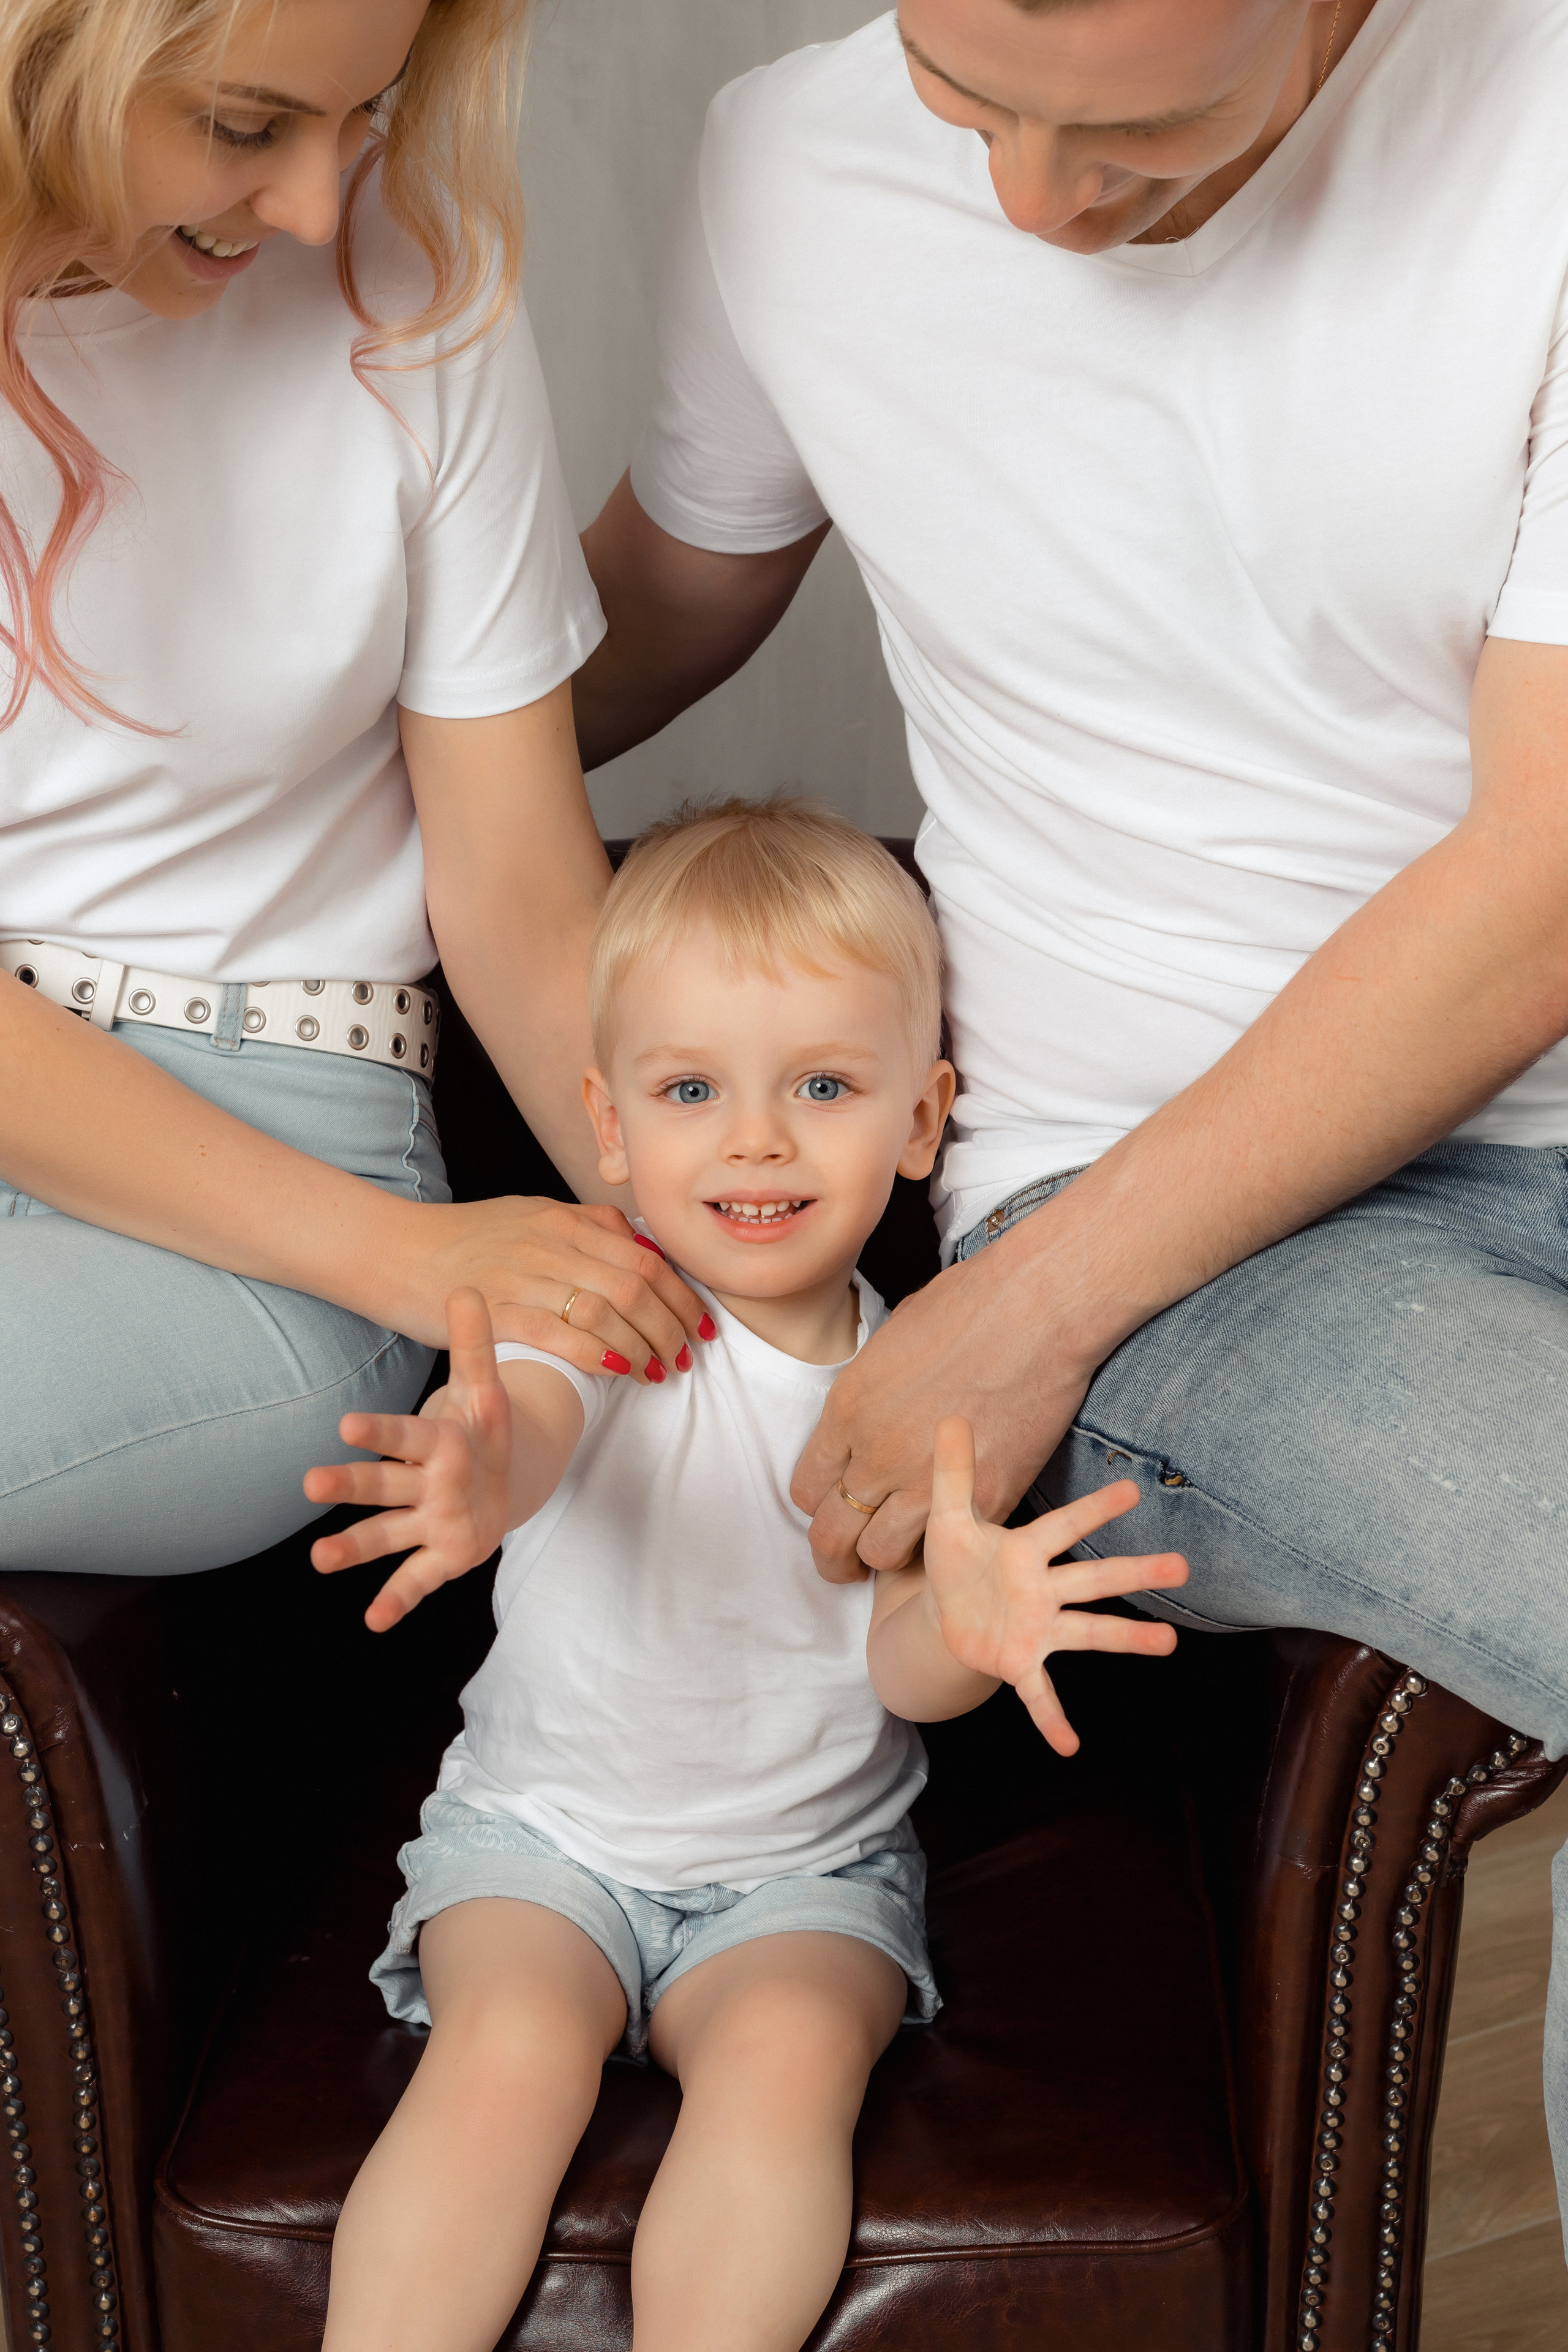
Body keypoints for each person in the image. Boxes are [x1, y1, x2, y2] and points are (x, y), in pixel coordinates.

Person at [570, 0, 1568, 2231]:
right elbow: (654, 601)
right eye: (966, 95)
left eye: (1131, 126)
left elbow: (1546, 878)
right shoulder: (786, 165)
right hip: (1174, 1243)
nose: (1029, 204)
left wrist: (1017, 1330)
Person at [301, 798, 1188, 2352]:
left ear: (921, 1122)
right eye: (692, 1089)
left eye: (825, 1087)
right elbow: (528, 1428)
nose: (755, 1139)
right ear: (610, 1124)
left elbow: (894, 1666)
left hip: (805, 1877)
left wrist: (970, 1629)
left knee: (787, 2069)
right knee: (507, 2052)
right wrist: (468, 1477)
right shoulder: (601, 1315)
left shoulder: (923, 1383)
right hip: (544, 1846)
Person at [0, 0, 707, 1580]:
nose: (321, 208)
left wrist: (719, 1267)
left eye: (364, 113)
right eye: (245, 128)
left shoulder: (411, 281)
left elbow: (519, 895)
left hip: (289, 1197)